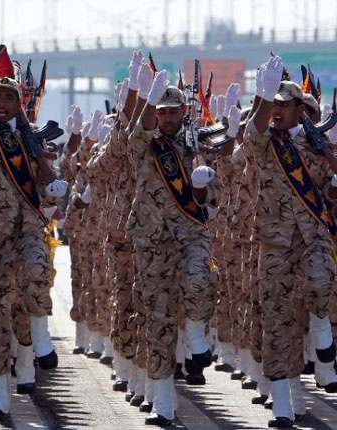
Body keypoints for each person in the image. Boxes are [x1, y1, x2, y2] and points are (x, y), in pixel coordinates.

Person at [0, 56, 67, 420]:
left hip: (27, 224)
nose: (3, 103)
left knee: (38, 271)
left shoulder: (31, 135)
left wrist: (54, 187)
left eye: (9, 97)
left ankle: (41, 337)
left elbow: (45, 175)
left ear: (17, 102)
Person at [243, 56, 337, 428]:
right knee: (278, 324)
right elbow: (251, 137)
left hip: (313, 238)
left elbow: (330, 197)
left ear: (301, 109)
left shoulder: (316, 147)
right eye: (275, 104)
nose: (278, 111)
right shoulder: (265, 144)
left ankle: (321, 332)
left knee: (320, 282)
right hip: (276, 245)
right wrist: (263, 97)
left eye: (285, 104)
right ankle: (283, 403)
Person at [127, 69, 220, 426]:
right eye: (161, 111)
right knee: (159, 321)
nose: (166, 117)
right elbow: (134, 138)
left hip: (191, 233)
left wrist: (201, 185)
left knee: (200, 281)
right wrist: (146, 100)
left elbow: (215, 194)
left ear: (184, 113)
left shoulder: (199, 145)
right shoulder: (145, 142)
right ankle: (163, 404)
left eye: (172, 111)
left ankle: (196, 334)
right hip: (151, 239)